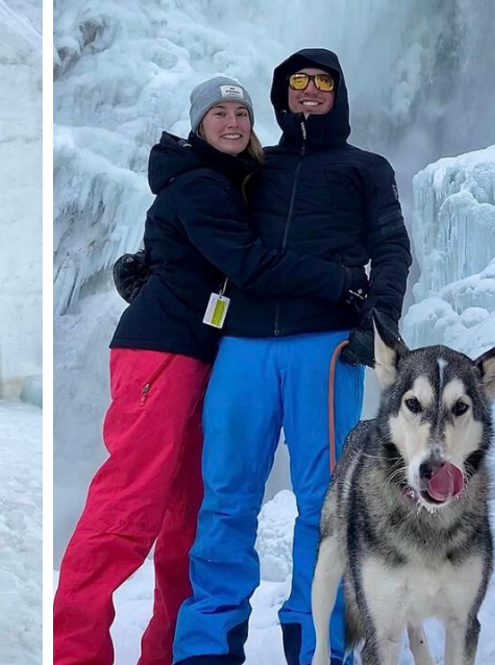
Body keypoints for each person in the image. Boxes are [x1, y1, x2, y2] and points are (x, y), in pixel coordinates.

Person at [54, 76, 370, 665]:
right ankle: (73, 652)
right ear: (198, 124)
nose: (232, 122)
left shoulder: (227, 181)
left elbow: (190, 255)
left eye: (241, 113)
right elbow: (244, 263)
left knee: (189, 517)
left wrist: (150, 263)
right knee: (129, 506)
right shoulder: (200, 183)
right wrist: (342, 282)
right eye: (218, 113)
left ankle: (171, 651)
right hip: (162, 354)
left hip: (207, 357)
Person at [172, 49, 413, 665]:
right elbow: (208, 233)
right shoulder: (255, 168)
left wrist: (379, 325)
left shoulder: (366, 168)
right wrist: (154, 272)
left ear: (338, 92)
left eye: (322, 81)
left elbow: (390, 248)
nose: (309, 91)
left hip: (325, 346)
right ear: (281, 96)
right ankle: (206, 646)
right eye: (297, 82)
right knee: (225, 495)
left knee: (323, 503)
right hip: (243, 345)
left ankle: (316, 642)